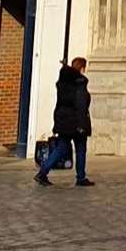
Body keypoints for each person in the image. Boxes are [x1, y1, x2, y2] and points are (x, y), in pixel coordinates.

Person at [34, 57, 93, 188]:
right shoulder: (80, 82)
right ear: (82, 68)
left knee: (61, 148)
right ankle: (81, 177)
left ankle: (42, 172)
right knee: (81, 149)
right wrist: (82, 125)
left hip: (63, 120)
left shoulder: (63, 82)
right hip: (76, 121)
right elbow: (81, 105)